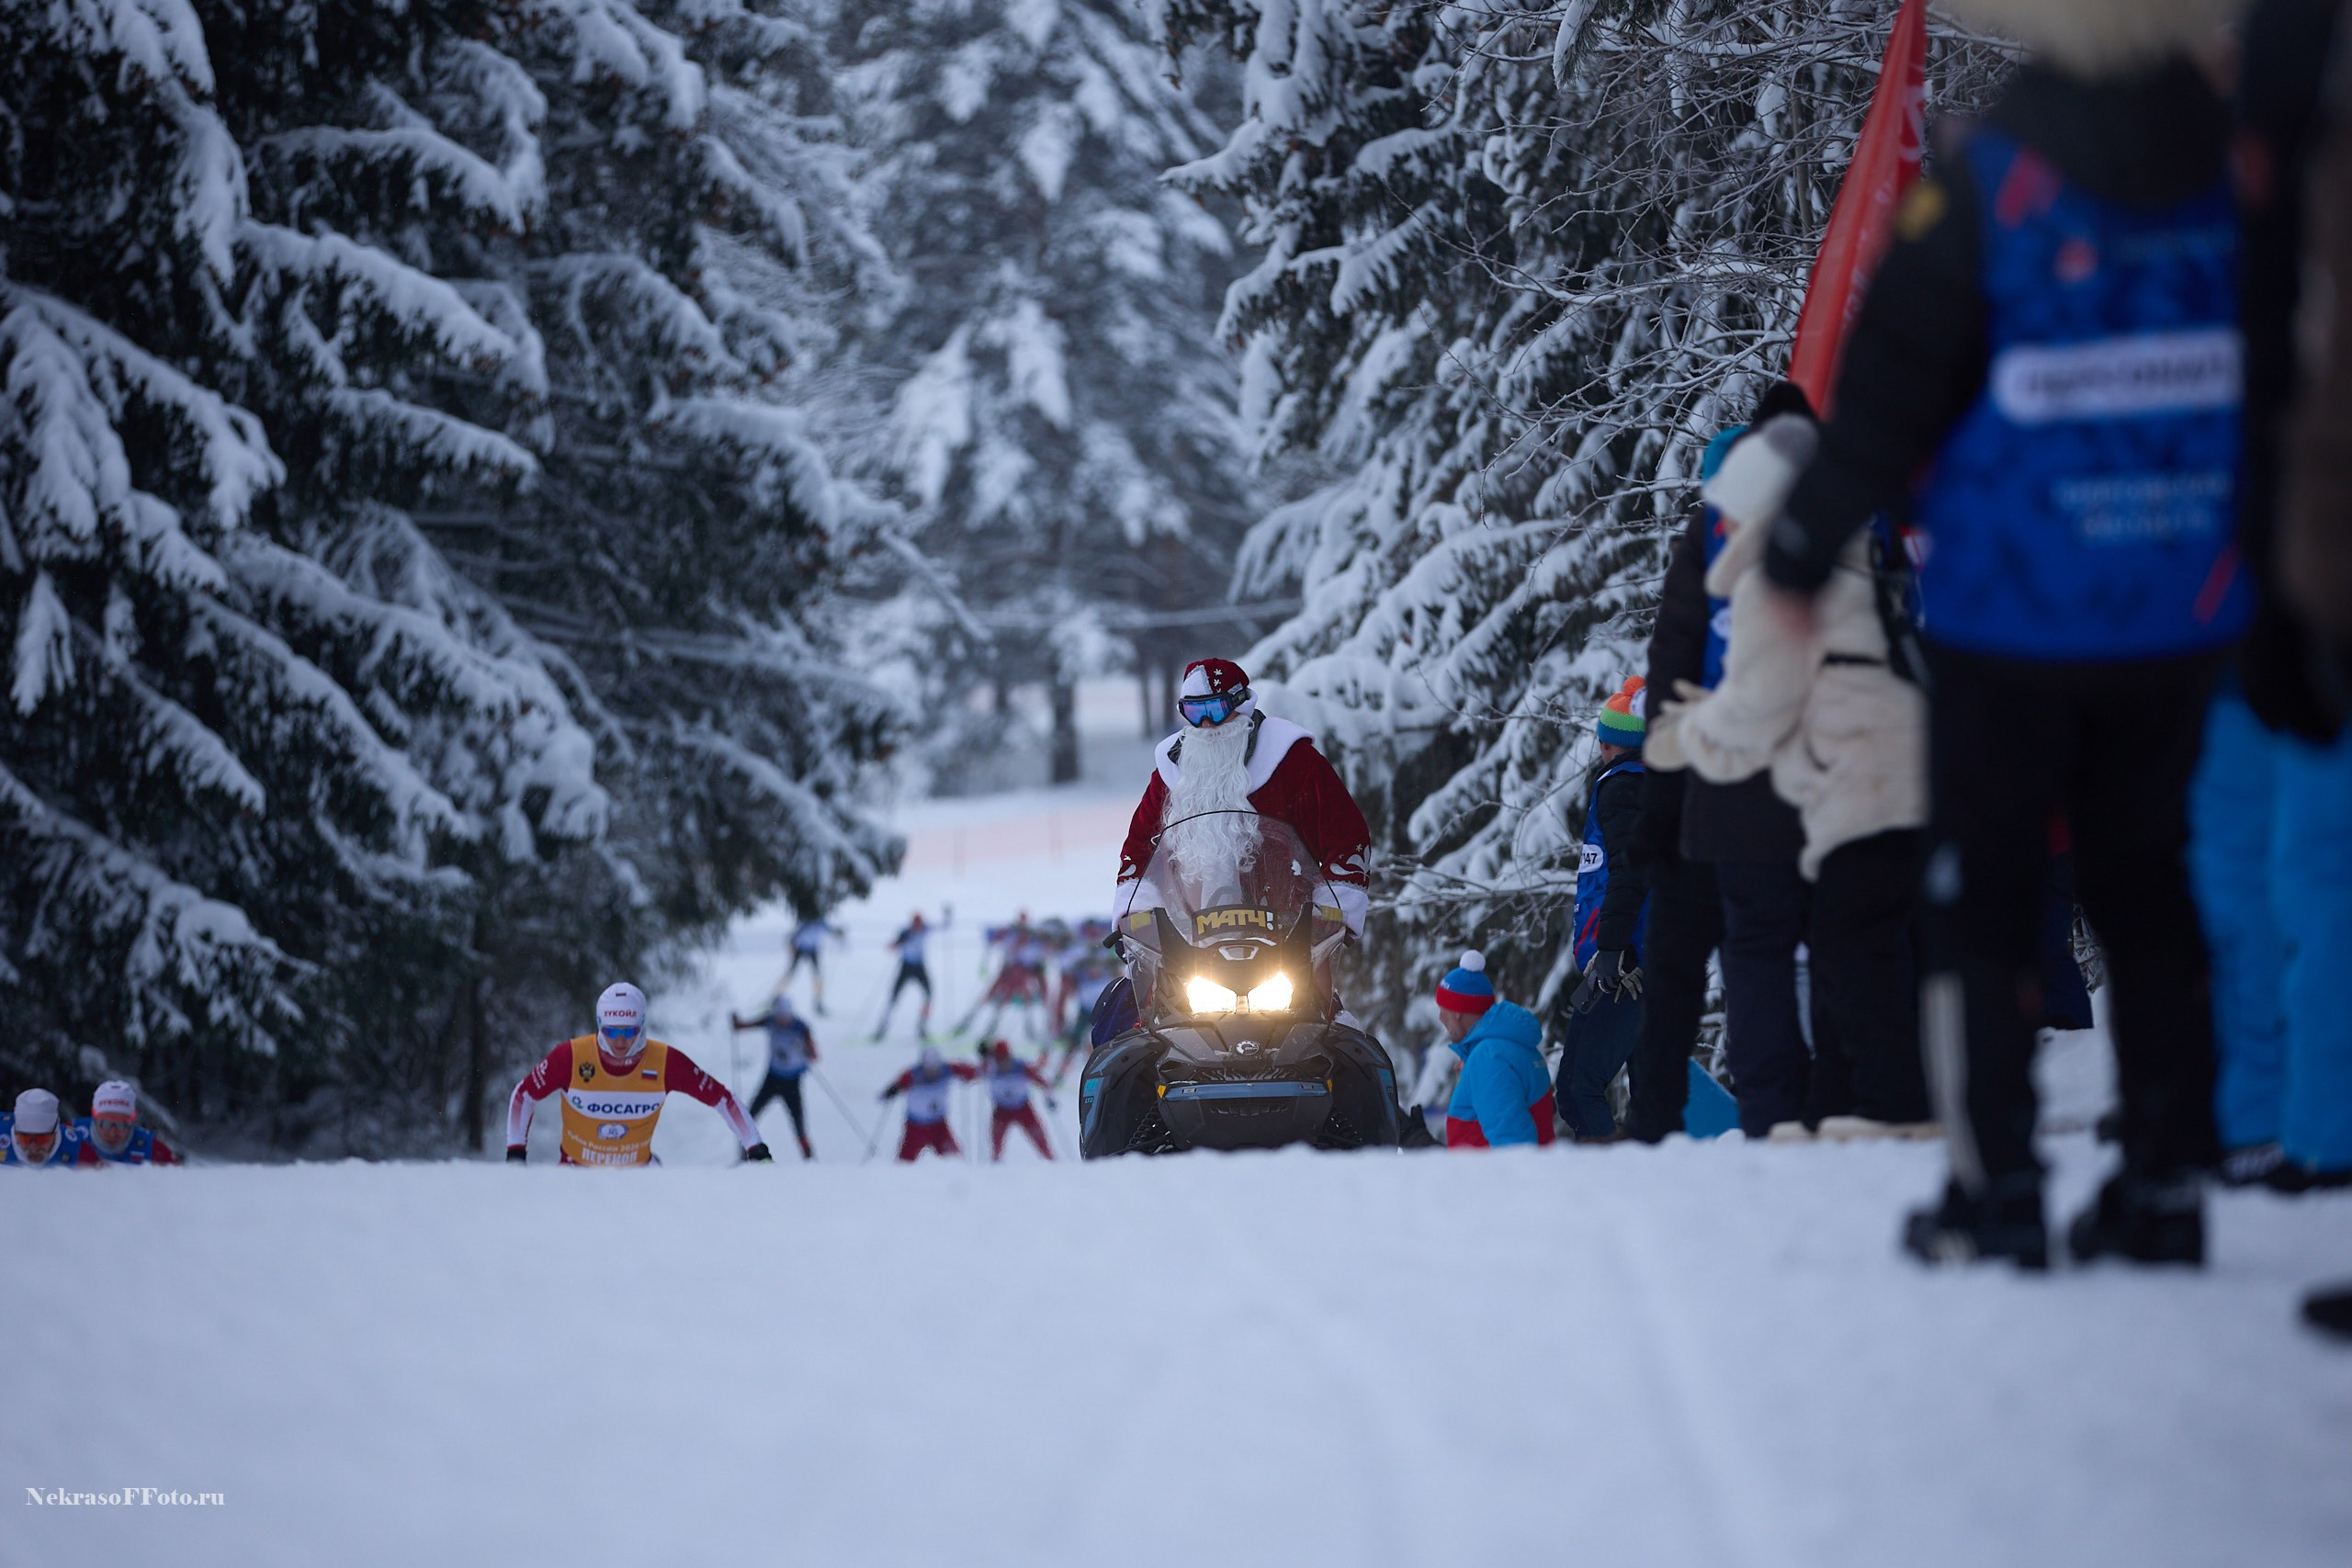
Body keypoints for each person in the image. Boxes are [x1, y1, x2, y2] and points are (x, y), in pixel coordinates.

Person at [1764, 0, 2253, 1266]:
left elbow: (1886, 385)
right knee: (2146, 883)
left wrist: (1802, 544)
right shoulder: (2242, 172)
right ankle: (2164, 1181)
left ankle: (2000, 1186)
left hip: (2012, 607)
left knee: (1981, 896)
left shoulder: (1995, 180)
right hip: (2180, 600)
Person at [1115, 658, 1373, 940]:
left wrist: (1334, 913)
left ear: (1240, 704)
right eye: (1192, 711)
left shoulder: (1292, 760)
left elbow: (1345, 835)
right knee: (1134, 986)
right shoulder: (1172, 769)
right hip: (1189, 941)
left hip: (1290, 936)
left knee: (1319, 985)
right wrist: (1135, 915)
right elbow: (1141, 845)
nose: (1205, 724)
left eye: (1214, 709)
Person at [507, 982, 771, 1166]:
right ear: (600, 1025)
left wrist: (756, 1147)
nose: (620, 1041)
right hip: (576, 1174)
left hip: (639, 1175)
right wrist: (516, 1153)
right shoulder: (571, 1056)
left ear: (641, 1026)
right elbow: (524, 1095)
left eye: (628, 1031)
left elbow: (722, 1098)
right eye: (611, 1031)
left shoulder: (665, 1061)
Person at [1554, 679, 1650, 1141]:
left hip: (1625, 964)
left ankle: (1614, 1184)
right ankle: (1648, 1179)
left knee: (1578, 1090)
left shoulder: (1624, 784)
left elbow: (1631, 872)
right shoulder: (1644, 784)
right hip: (1630, 960)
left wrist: (1612, 950)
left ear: (1612, 742)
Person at [1431, 953, 1555, 1148]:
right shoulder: (1507, 1049)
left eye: (1442, 1009)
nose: (1440, 1018)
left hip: (1492, 1177)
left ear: (1457, 1012)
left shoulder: (1489, 1058)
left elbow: (1513, 1144)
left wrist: (1478, 1066)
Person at [732, 997, 818, 1160]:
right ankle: (744, 1157)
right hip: (772, 1080)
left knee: (799, 1125)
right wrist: (737, 1024)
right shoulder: (770, 1021)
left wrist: (804, 1050)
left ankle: (810, 1161)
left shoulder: (801, 1028)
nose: (781, 1021)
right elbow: (744, 1026)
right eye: (779, 1016)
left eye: (784, 1017)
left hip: (792, 1083)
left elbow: (814, 1055)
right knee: (750, 1116)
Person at [879, 1045, 977, 1161]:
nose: (932, 1072)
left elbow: (972, 1072)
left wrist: (970, 1073)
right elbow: (895, 1086)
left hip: (938, 1125)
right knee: (904, 1163)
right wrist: (891, 1092)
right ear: (923, 1065)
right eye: (929, 1068)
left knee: (954, 1158)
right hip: (915, 1126)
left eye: (935, 1068)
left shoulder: (948, 1069)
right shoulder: (913, 1075)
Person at [980, 1041, 1057, 1161]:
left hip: (1023, 1109)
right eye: (998, 1058)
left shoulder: (1021, 1067)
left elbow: (1043, 1082)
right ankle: (994, 1167)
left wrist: (1050, 1098)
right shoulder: (990, 1068)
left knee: (1040, 1139)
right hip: (1001, 1110)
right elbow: (972, 1072)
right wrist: (983, 1054)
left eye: (1004, 1058)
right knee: (996, 1145)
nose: (1001, 1062)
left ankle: (1052, 1162)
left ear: (1009, 1056)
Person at [74, 1080, 180, 1165]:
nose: (113, 1133)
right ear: (94, 1117)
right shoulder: (69, 1136)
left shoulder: (152, 1149)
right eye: (104, 1123)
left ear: (132, 1121)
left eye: (122, 1125)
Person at [875, 912, 935, 1041]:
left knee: (928, 996)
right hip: (906, 967)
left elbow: (943, 927)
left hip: (919, 967)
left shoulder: (925, 929)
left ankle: (922, 1028)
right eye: (915, 924)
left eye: (919, 923)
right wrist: (896, 945)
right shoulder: (905, 933)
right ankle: (882, 1027)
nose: (917, 926)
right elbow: (892, 946)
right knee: (893, 997)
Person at [3, 1089, 100, 1168]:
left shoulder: (78, 1150)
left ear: (56, 1132)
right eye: (25, 1139)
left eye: (42, 1139)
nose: (33, 1148)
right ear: (15, 1133)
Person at [785, 915, 841, 1013]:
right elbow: (793, 937)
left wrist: (838, 933)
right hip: (800, 950)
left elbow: (832, 931)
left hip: (813, 951)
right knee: (790, 974)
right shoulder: (806, 924)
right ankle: (776, 997)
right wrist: (792, 946)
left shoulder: (821, 923)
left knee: (817, 976)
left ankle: (818, 1001)